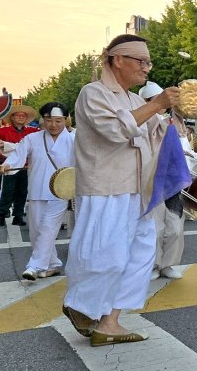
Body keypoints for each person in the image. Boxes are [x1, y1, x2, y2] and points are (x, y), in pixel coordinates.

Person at [63, 34, 181, 347]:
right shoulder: (93, 94)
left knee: (140, 255)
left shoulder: (134, 100)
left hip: (137, 191)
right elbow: (116, 130)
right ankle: (82, 305)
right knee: (106, 254)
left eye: (148, 62)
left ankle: (110, 321)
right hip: (106, 190)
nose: (147, 68)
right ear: (117, 60)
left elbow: (151, 136)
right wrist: (156, 105)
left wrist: (165, 121)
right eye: (140, 61)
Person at [0, 102, 74, 279]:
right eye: (48, 120)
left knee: (48, 228)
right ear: (43, 120)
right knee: (37, 231)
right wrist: (8, 165)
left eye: (58, 121)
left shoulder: (74, 139)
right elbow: (19, 154)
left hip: (61, 193)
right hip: (37, 190)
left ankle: (33, 266)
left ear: (65, 120)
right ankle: (53, 264)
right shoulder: (33, 138)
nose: (53, 125)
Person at [138, 81, 190, 280]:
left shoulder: (172, 122)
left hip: (172, 182)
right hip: (149, 182)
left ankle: (169, 264)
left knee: (175, 228)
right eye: (153, 101)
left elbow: (185, 145)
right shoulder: (141, 122)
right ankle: (154, 265)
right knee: (155, 229)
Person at [0, 103, 38, 227]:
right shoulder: (3, 131)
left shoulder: (33, 132)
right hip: (8, 166)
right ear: (12, 117)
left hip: (25, 166)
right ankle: (2, 213)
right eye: (18, 115)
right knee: (7, 191)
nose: (21, 117)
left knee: (22, 191)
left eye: (23, 115)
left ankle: (18, 215)